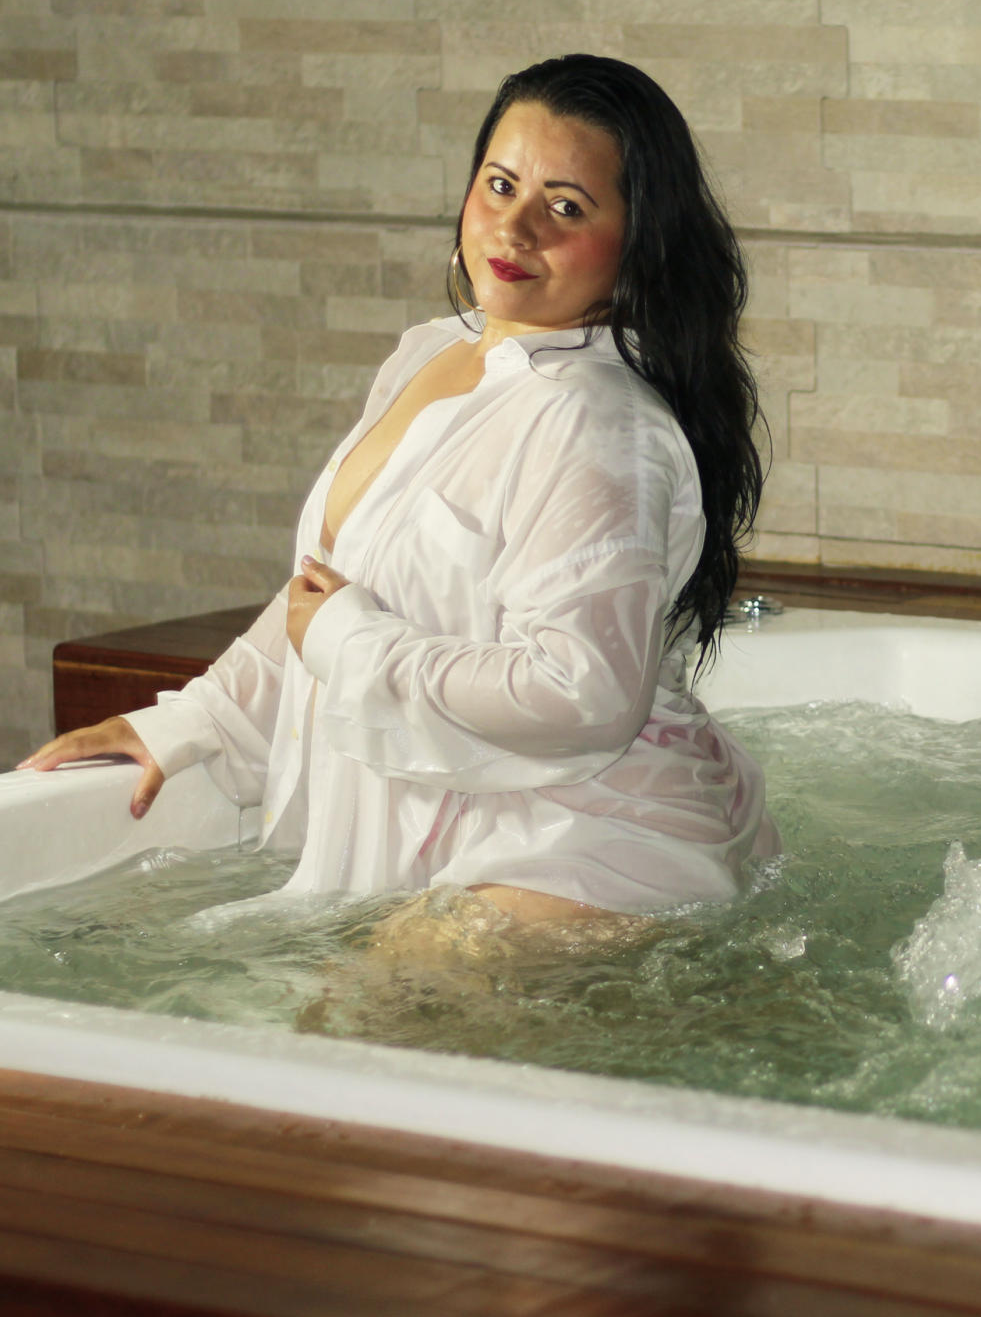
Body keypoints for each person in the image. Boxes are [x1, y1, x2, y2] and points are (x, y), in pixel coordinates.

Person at [16, 55, 780, 924]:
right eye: (500, 185)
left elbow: (584, 693)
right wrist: (191, 724)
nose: (515, 227)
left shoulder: (596, 422)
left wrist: (354, 643)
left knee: (352, 1004)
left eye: (566, 207)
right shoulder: (432, 353)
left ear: (639, 241)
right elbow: (327, 590)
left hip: (587, 844)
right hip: (462, 824)